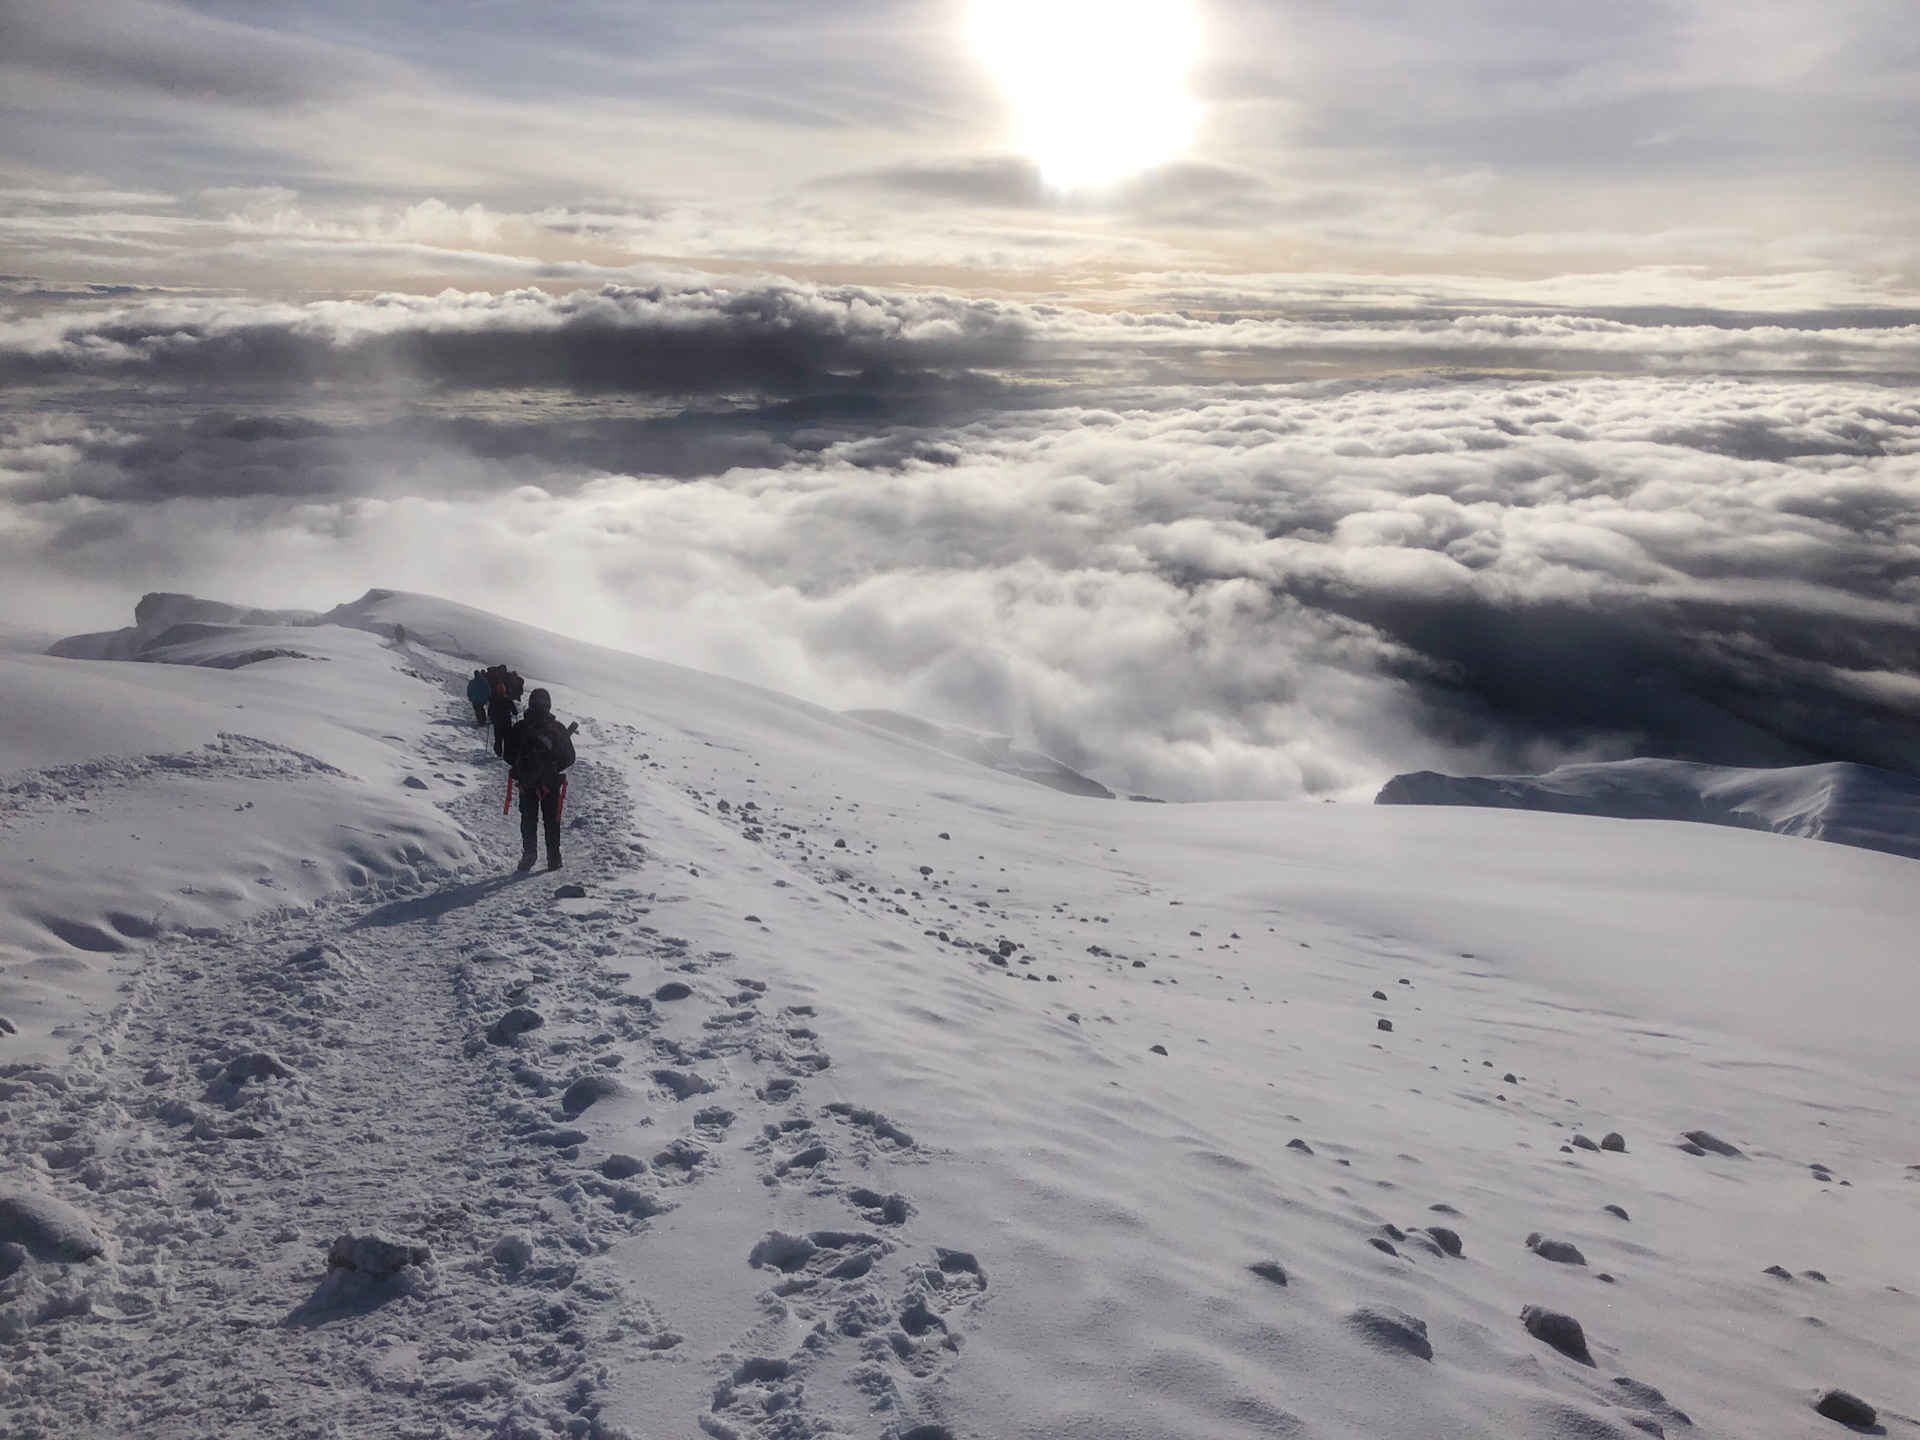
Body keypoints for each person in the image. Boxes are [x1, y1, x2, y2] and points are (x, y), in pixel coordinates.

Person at [503, 688, 577, 872]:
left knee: (528, 819)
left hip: (526, 783)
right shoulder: (558, 728)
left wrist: (524, 768)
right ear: (548, 704)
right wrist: (551, 768)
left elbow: (508, 754)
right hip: (550, 784)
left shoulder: (520, 727)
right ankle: (554, 857)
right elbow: (570, 757)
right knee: (551, 820)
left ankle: (529, 854)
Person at [488, 676, 518, 758]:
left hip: (497, 721)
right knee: (507, 738)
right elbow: (514, 710)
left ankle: (498, 751)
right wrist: (515, 713)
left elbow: (490, 709)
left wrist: (490, 716)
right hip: (506, 721)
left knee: (498, 737)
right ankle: (506, 752)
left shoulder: (493, 699)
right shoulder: (507, 699)